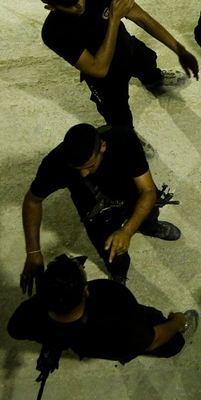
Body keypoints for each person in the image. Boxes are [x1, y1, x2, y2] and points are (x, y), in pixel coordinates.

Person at [20, 123, 181, 291]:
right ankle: (118, 273)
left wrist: (127, 231)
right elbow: (32, 201)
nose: (83, 174)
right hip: (96, 209)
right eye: (78, 169)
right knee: (111, 251)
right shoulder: (54, 164)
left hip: (132, 193)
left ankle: (152, 227)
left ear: (103, 146)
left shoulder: (123, 138)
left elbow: (147, 191)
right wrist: (33, 252)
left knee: (148, 215)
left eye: (90, 166)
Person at [35, 0, 199, 130]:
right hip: (105, 80)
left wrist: (179, 49)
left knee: (148, 63)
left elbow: (141, 17)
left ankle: (154, 80)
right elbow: (99, 69)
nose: (79, 4)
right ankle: (127, 137)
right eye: (69, 3)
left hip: (128, 48)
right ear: (51, 7)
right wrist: (114, 19)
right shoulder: (53, 33)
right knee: (118, 118)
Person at [9, 254, 198, 364]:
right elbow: (152, 340)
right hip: (129, 339)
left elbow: (15, 330)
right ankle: (177, 342)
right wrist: (176, 322)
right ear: (85, 291)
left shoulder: (29, 314)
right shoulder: (112, 298)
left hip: (84, 344)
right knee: (170, 341)